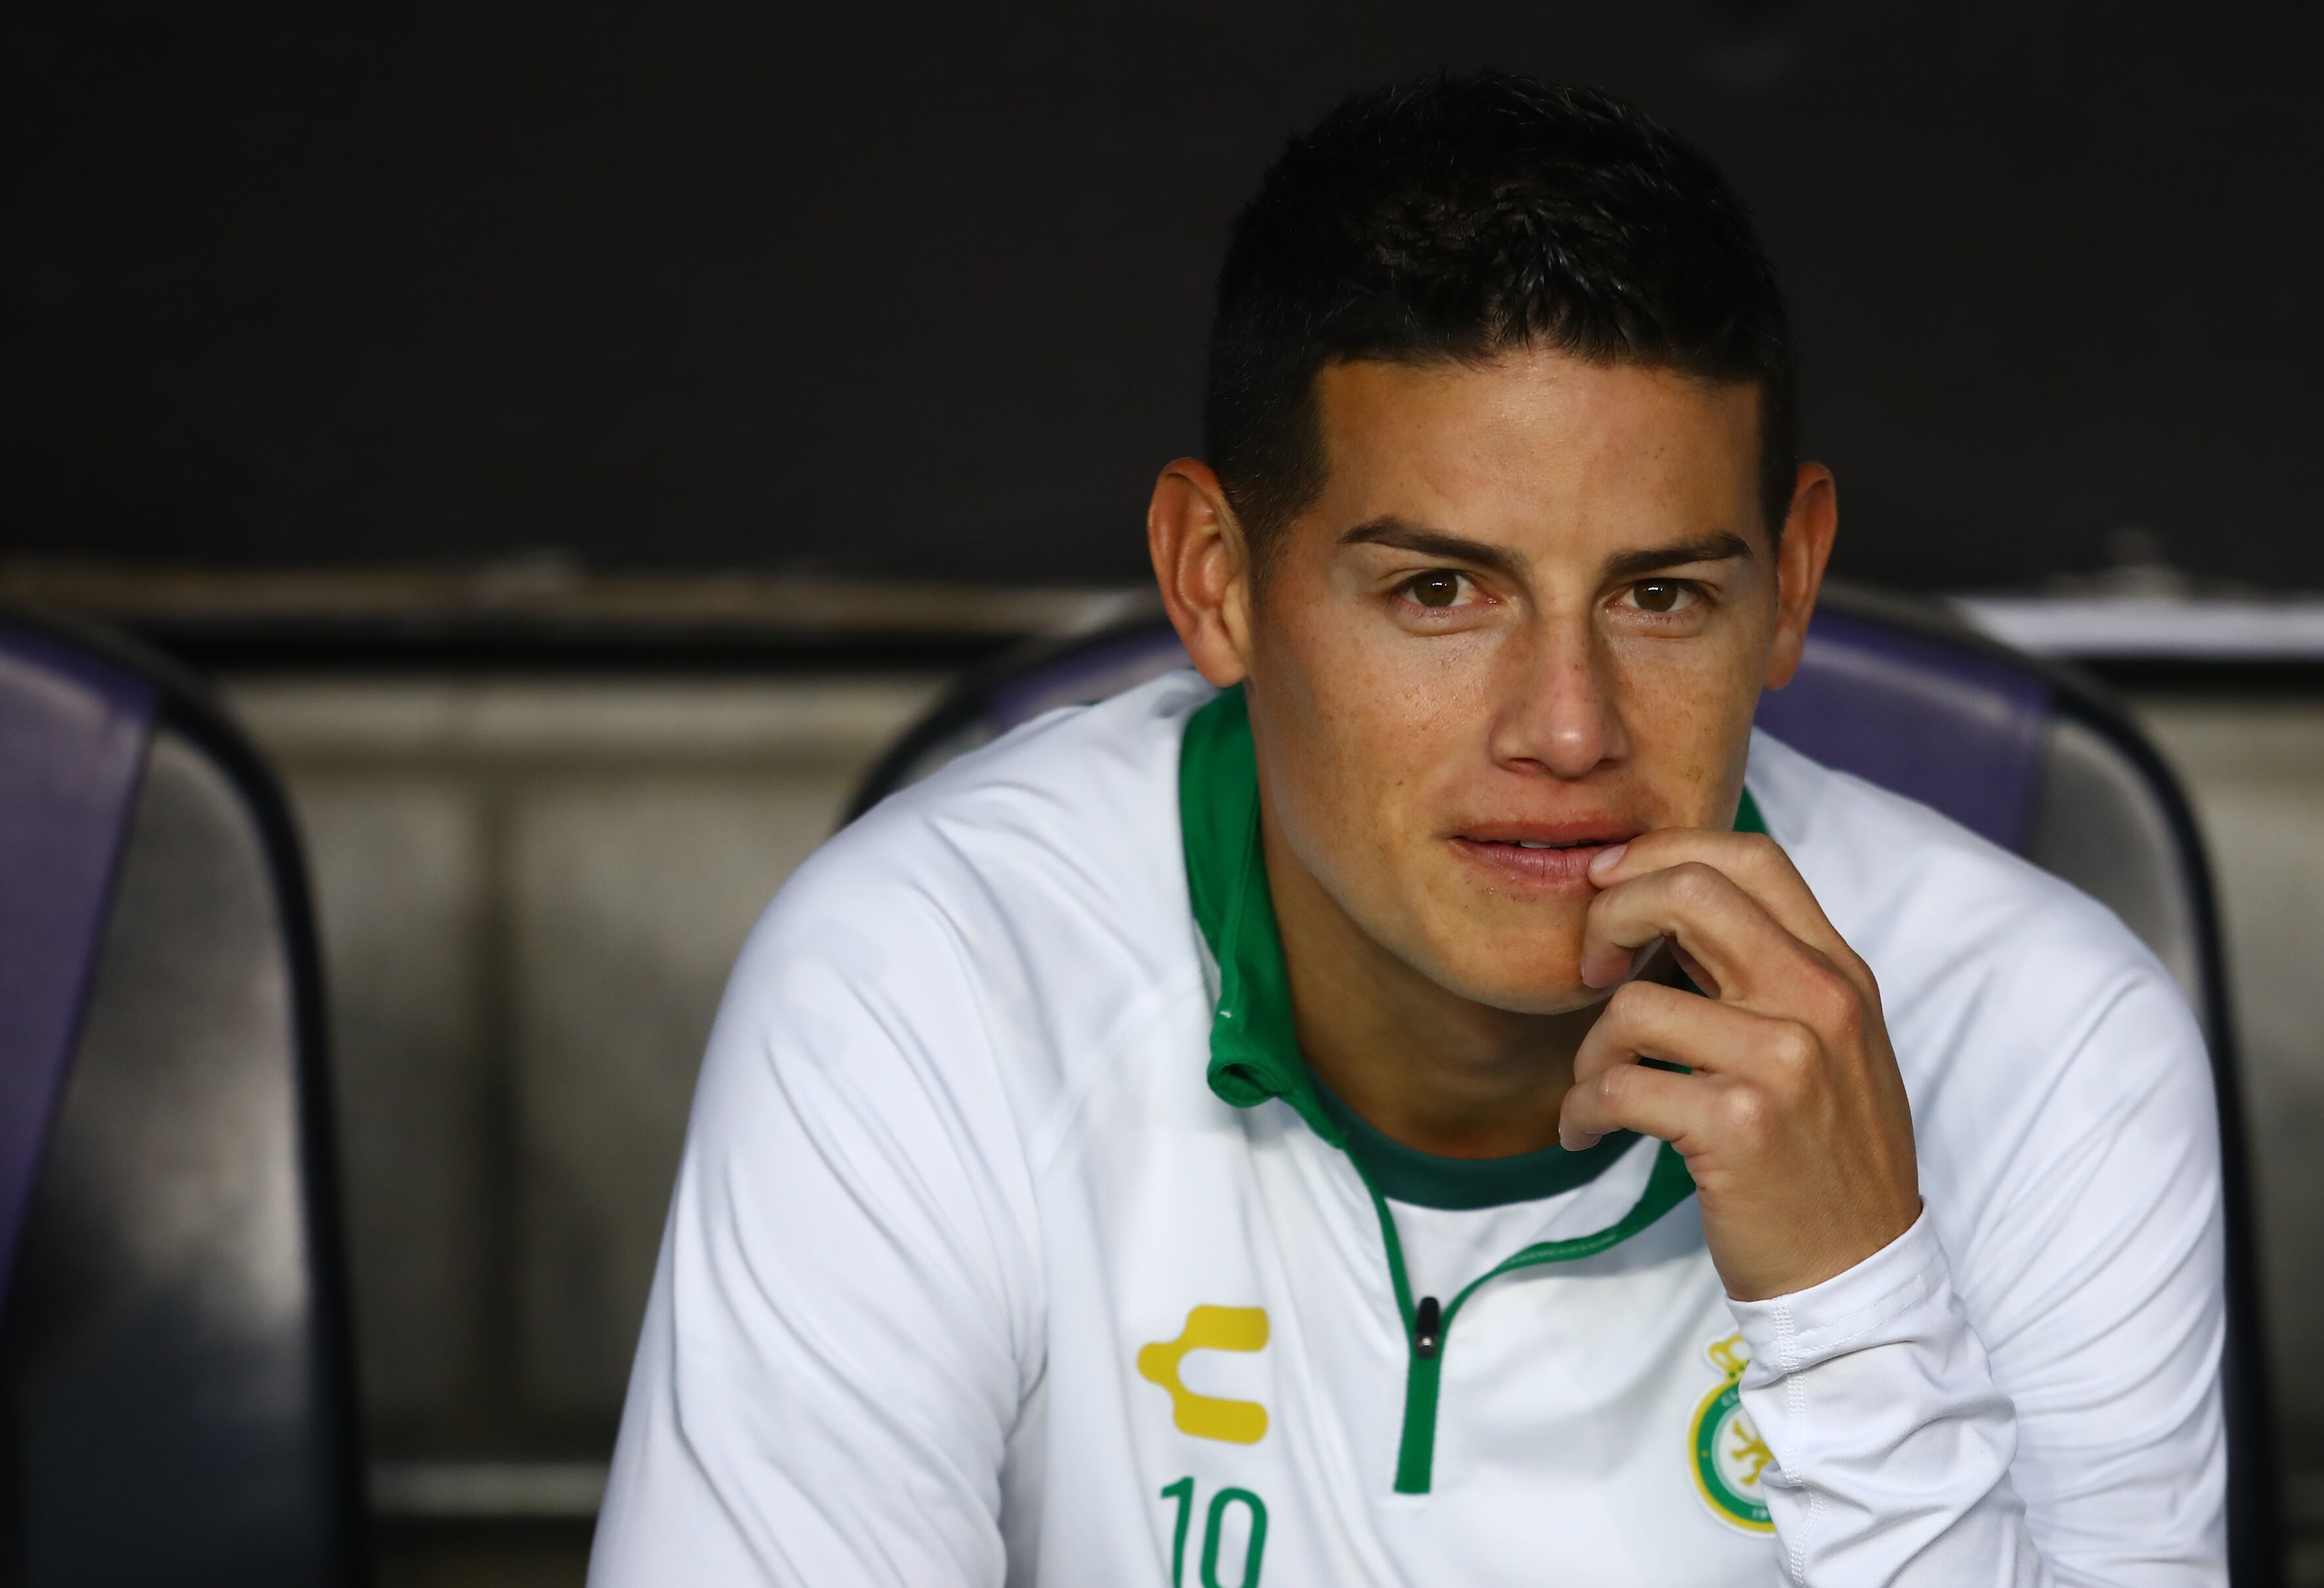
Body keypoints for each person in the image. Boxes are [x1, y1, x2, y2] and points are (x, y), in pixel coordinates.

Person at [588, 73, 2224, 1585]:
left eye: (1659, 595)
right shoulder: (921, 976)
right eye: (1439, 590)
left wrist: (1854, 1304)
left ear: (1787, 582)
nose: (1567, 729)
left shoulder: (2041, 1037)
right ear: (1213, 578)